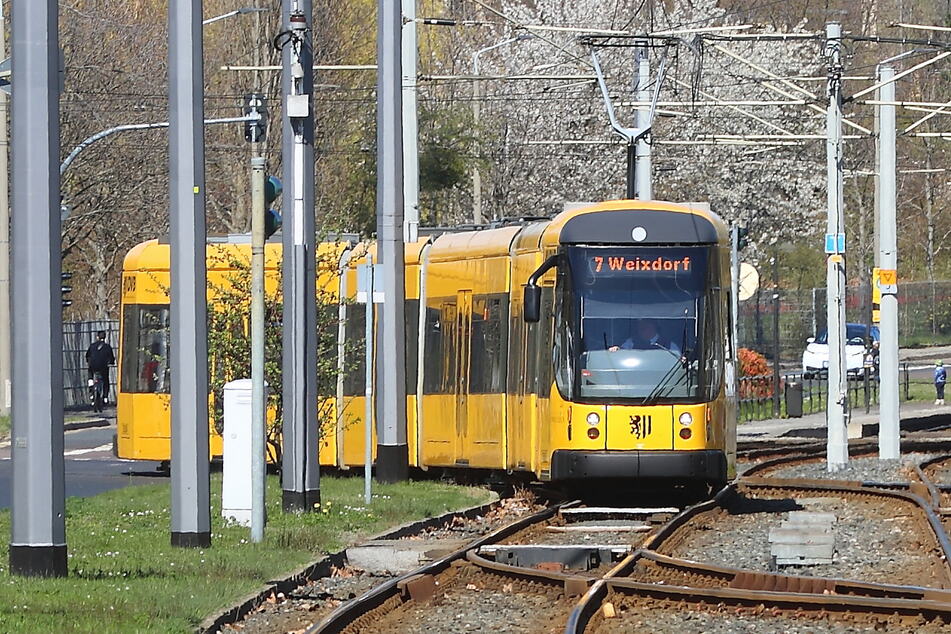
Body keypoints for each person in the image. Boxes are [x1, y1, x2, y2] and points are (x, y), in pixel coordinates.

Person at [608, 319, 681, 355]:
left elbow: (679, 362)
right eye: (640, 326)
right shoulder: (631, 342)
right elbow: (622, 352)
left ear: (654, 326)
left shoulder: (669, 345)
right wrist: (617, 350)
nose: (642, 328)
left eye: (646, 326)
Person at [85, 331, 115, 405]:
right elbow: (111, 358)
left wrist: (88, 361)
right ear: (104, 337)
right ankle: (105, 397)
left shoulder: (92, 346)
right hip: (103, 367)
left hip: (93, 366)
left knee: (90, 373)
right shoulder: (107, 347)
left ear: (97, 337)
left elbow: (87, 355)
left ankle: (91, 384)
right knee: (105, 380)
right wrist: (111, 362)